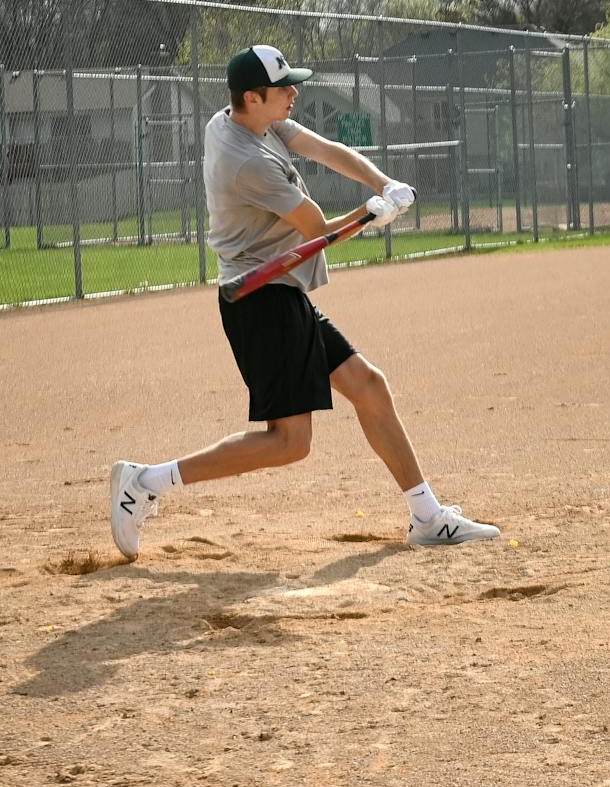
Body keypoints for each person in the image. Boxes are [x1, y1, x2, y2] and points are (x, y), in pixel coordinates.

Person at [108, 44, 500, 559]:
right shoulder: (246, 163)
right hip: (260, 301)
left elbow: (324, 148)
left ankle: (427, 517)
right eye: (284, 87)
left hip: (281, 290)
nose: (295, 92)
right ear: (253, 97)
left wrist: (382, 183)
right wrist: (371, 215)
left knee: (368, 386)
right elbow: (317, 230)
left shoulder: (244, 120)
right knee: (290, 443)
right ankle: (147, 481)